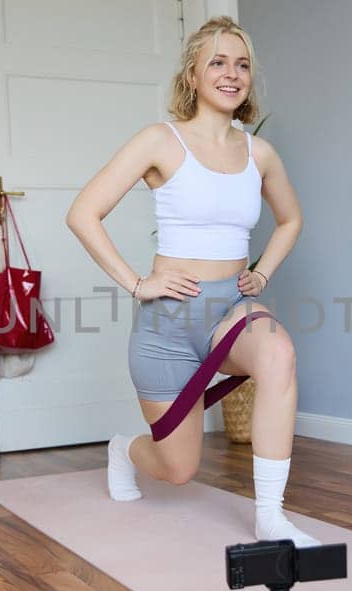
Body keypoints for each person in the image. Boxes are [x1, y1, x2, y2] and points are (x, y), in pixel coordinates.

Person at [65, 16, 317, 547]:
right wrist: (137, 283)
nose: (232, 74)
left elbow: (291, 219)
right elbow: (83, 212)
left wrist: (263, 271)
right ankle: (123, 450)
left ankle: (270, 516)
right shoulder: (161, 140)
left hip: (231, 310)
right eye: (218, 63)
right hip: (169, 327)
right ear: (192, 77)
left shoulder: (259, 154)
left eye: (242, 64)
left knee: (279, 354)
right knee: (178, 469)